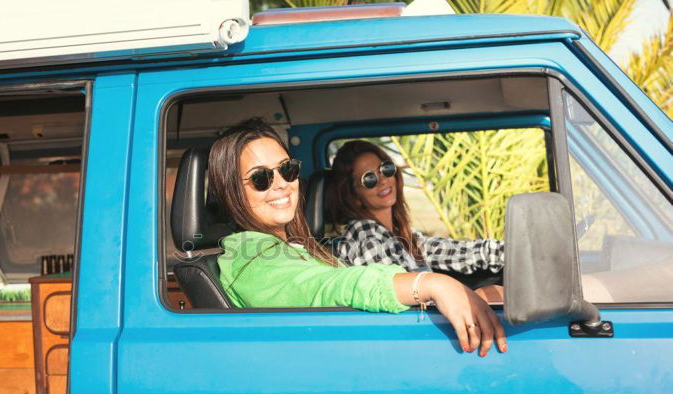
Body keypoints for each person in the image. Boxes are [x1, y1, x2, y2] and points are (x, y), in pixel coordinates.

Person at [208, 118, 507, 356]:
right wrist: (429, 283)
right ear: (232, 191)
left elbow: (450, 250)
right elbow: (329, 287)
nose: (282, 185)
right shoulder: (249, 256)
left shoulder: (296, 247)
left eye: (287, 170)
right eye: (261, 178)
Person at [328, 140, 505, 282]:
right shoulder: (365, 235)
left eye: (385, 169)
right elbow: (399, 296)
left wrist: (513, 250)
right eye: (369, 179)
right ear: (353, 195)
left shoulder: (400, 236)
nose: (383, 180)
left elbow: (456, 252)